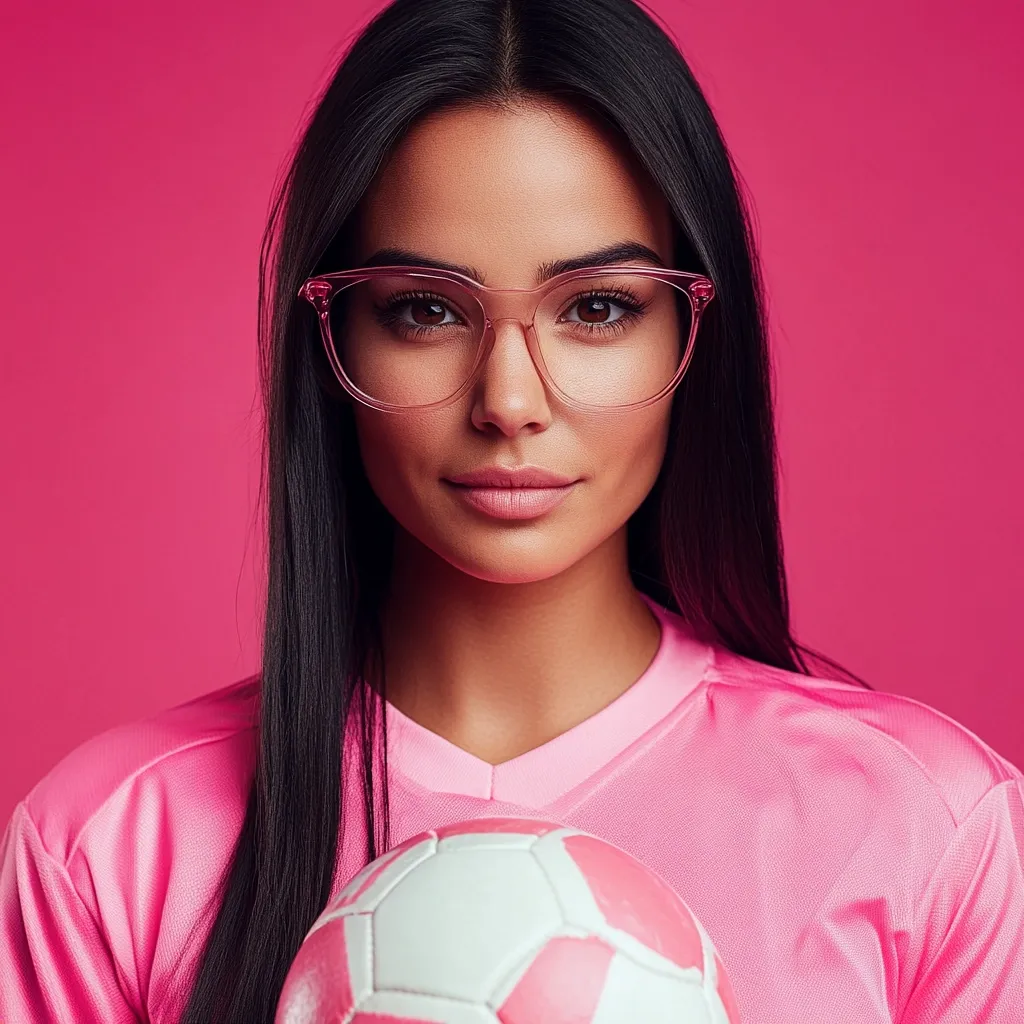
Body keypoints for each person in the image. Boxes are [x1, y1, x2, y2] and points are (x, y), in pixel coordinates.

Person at [3, 0, 1022, 1020]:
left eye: (596, 308)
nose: (508, 402)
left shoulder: (923, 829)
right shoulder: (112, 847)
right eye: (424, 309)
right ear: (331, 337)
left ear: (691, 333)